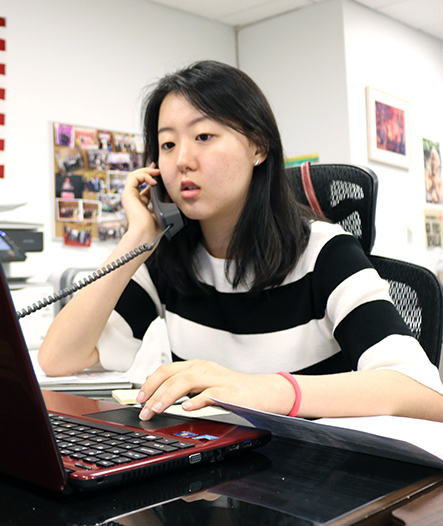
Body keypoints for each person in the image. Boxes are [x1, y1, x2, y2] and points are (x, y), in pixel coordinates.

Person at [38, 60, 443, 422]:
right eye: (167, 144)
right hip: (213, 483)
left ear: (258, 146)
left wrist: (266, 389)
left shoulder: (326, 254)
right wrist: (137, 237)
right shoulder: (168, 261)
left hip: (315, 483)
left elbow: (423, 392)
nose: (182, 160)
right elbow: (59, 359)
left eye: (203, 137)